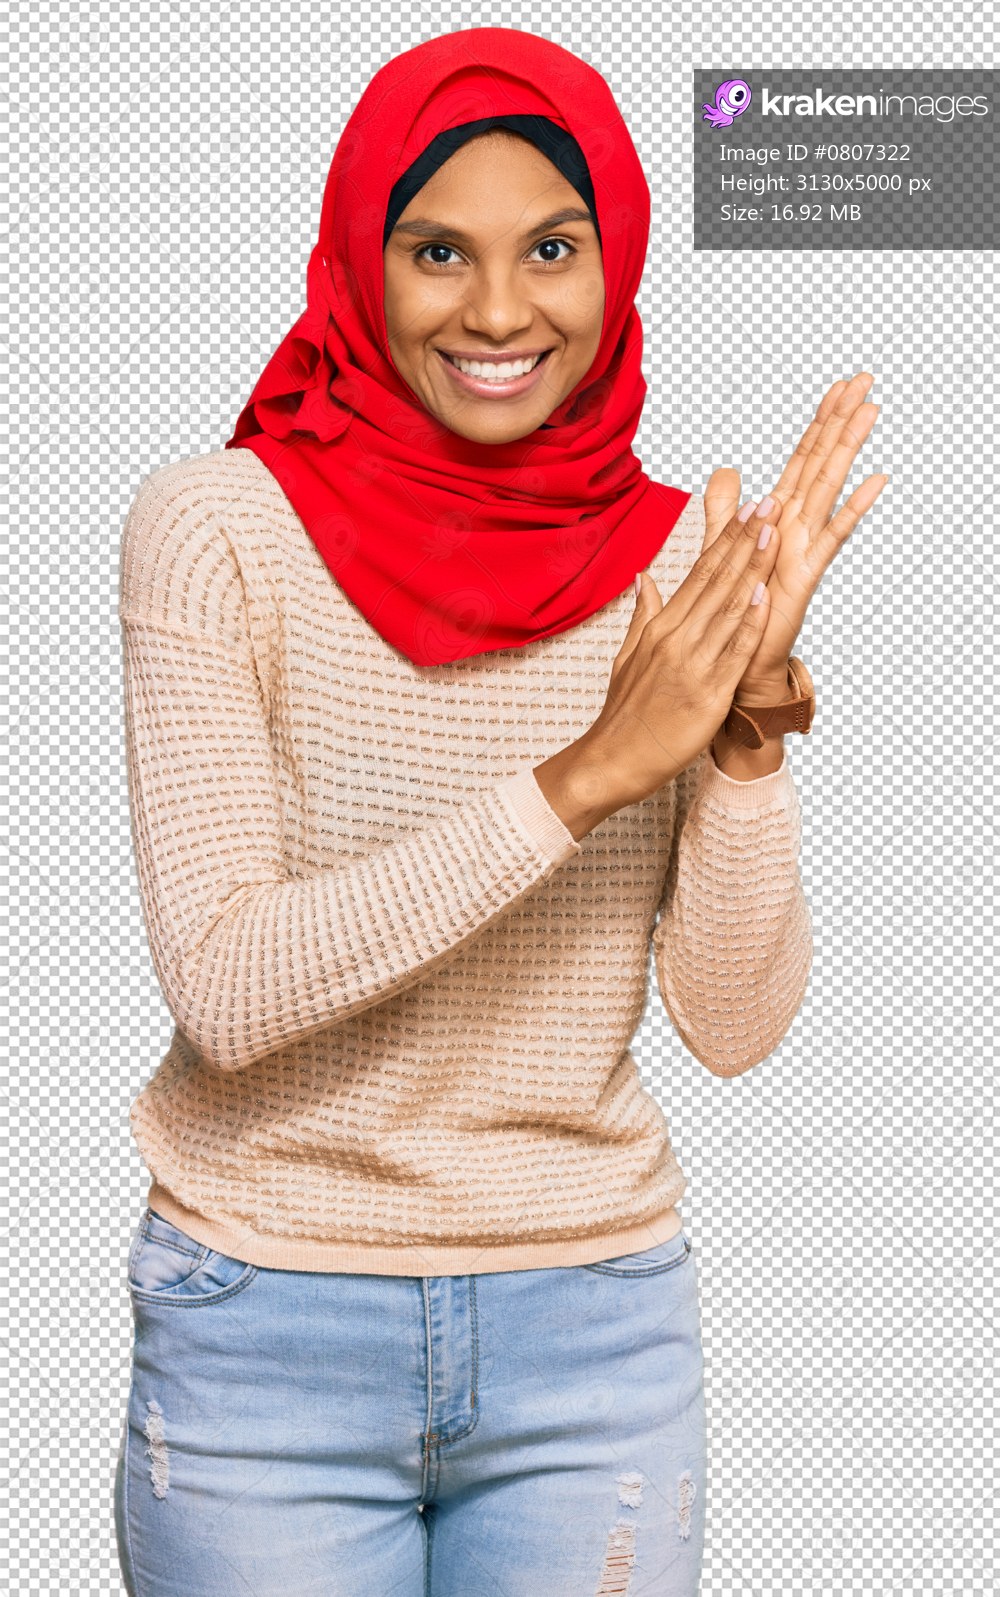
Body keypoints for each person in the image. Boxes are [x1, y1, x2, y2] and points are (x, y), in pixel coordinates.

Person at [113, 27, 886, 1597]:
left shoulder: (686, 568)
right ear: (358, 260)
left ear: (617, 260)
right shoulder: (214, 530)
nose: (499, 312)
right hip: (269, 1326)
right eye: (437, 253)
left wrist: (739, 730)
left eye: (552, 248)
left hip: (593, 1336)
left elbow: (731, 1028)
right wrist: (593, 769)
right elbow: (228, 981)